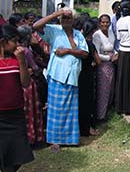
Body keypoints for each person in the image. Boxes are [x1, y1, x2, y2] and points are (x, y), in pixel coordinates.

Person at [33, 8, 88, 152]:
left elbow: (84, 53)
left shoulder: (78, 35)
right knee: (56, 109)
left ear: (73, 20)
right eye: (64, 18)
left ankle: (70, 139)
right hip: (57, 75)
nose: (66, 20)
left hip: (73, 76)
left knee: (70, 109)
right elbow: (35, 26)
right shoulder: (54, 30)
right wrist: (55, 14)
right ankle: (55, 140)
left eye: (69, 18)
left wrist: (68, 51)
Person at [0, 24, 34, 172]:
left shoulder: (16, 59)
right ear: (3, 41)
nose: (17, 44)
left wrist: (21, 62)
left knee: (17, 156)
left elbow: (25, 83)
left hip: (15, 115)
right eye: (14, 40)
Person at [17, 25, 44, 146]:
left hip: (17, 84)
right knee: (31, 110)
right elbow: (35, 69)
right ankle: (32, 136)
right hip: (28, 84)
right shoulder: (26, 51)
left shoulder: (16, 49)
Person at [92, 14, 117, 121]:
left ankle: (107, 112)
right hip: (102, 65)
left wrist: (116, 54)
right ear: (99, 23)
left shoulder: (111, 32)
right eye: (103, 22)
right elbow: (96, 54)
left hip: (112, 64)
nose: (105, 24)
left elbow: (114, 47)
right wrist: (108, 58)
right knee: (103, 91)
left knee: (111, 89)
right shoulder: (96, 35)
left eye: (107, 22)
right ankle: (100, 116)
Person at [78, 20, 101, 136]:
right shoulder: (89, 44)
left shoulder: (78, 41)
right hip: (87, 74)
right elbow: (98, 60)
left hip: (77, 74)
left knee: (79, 101)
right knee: (88, 102)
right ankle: (88, 128)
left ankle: (79, 127)